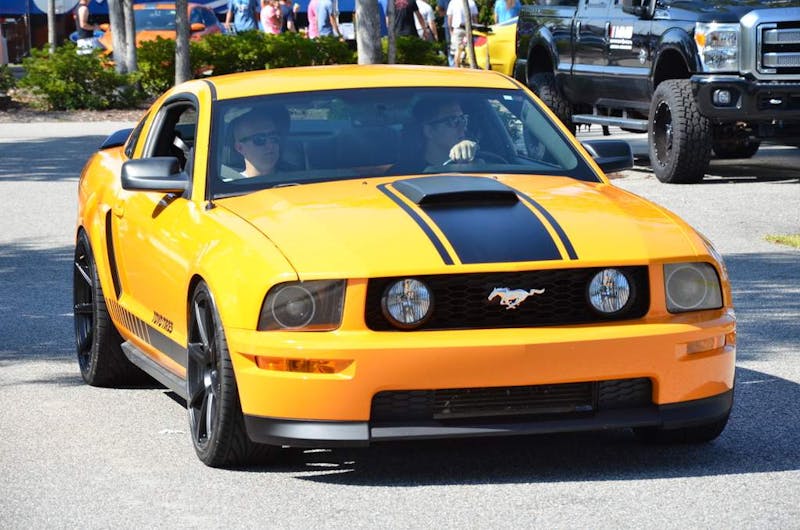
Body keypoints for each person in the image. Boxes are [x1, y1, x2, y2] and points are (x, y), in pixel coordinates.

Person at [394, 97, 478, 174]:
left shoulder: (480, 164)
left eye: (463, 118)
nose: (463, 126)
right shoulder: (403, 173)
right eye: (453, 120)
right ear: (429, 131)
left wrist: (470, 157)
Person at [231, 107, 291, 178]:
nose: (270, 145)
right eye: (259, 139)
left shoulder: (298, 182)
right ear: (240, 148)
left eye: (274, 138)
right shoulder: (227, 187)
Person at [446, 0, 477, 67]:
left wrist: (451, 30)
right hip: (469, 29)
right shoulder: (471, 2)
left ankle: (457, 69)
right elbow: (475, 18)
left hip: (458, 29)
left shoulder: (453, 2)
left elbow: (449, 18)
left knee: (457, 51)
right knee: (469, 50)